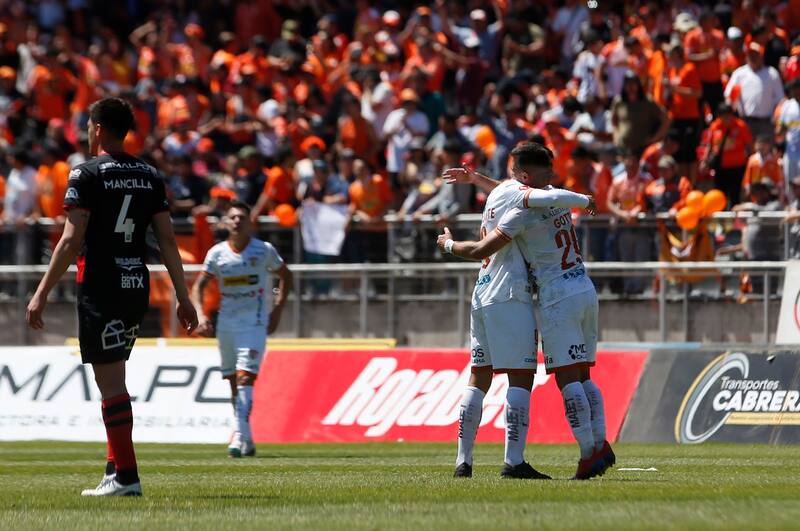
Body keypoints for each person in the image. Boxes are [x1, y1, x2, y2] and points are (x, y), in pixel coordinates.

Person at [25, 97, 199, 496]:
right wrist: (183, 294)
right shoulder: (150, 175)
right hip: (135, 285)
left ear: (99, 128)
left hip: (101, 286)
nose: (87, 132)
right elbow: (167, 240)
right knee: (114, 377)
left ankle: (127, 477)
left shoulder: (85, 174)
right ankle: (114, 468)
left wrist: (41, 292)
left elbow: (71, 239)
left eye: (89, 125)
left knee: (111, 385)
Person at [437, 142, 612, 480]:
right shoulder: (541, 200)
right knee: (568, 374)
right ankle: (577, 451)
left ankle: (463, 461)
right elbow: (528, 194)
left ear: (522, 176)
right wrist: (584, 200)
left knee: (480, 376)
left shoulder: (506, 200)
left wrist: (449, 240)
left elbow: (496, 214)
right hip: (563, 288)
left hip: (487, 291)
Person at [192, 201, 292, 458]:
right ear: (226, 223)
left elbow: (286, 276)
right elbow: (199, 286)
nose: (237, 221)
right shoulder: (217, 254)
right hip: (226, 324)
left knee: (246, 377)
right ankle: (246, 437)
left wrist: (277, 309)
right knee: (233, 382)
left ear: (250, 223)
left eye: (242, 218)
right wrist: (202, 314)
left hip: (254, 323)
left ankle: (238, 434)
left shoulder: (264, 250)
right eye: (233, 217)